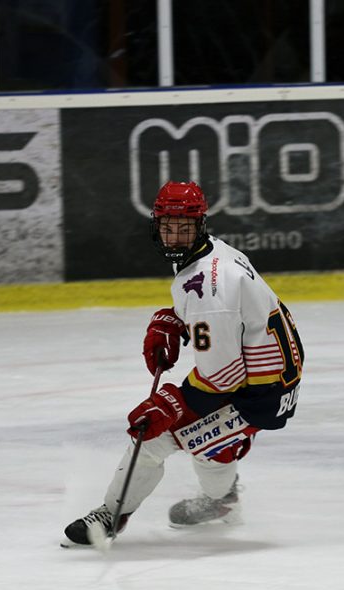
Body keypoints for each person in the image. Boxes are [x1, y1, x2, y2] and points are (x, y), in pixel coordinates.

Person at [62, 181, 304, 547]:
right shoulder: (213, 252)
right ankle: (223, 500)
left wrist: (173, 404)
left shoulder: (210, 285)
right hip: (268, 380)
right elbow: (223, 320)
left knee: (154, 436)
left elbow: (222, 376)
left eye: (184, 228)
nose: (175, 237)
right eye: (168, 227)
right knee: (206, 440)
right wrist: (174, 319)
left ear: (200, 225)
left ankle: (110, 515)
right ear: (156, 225)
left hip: (259, 394)